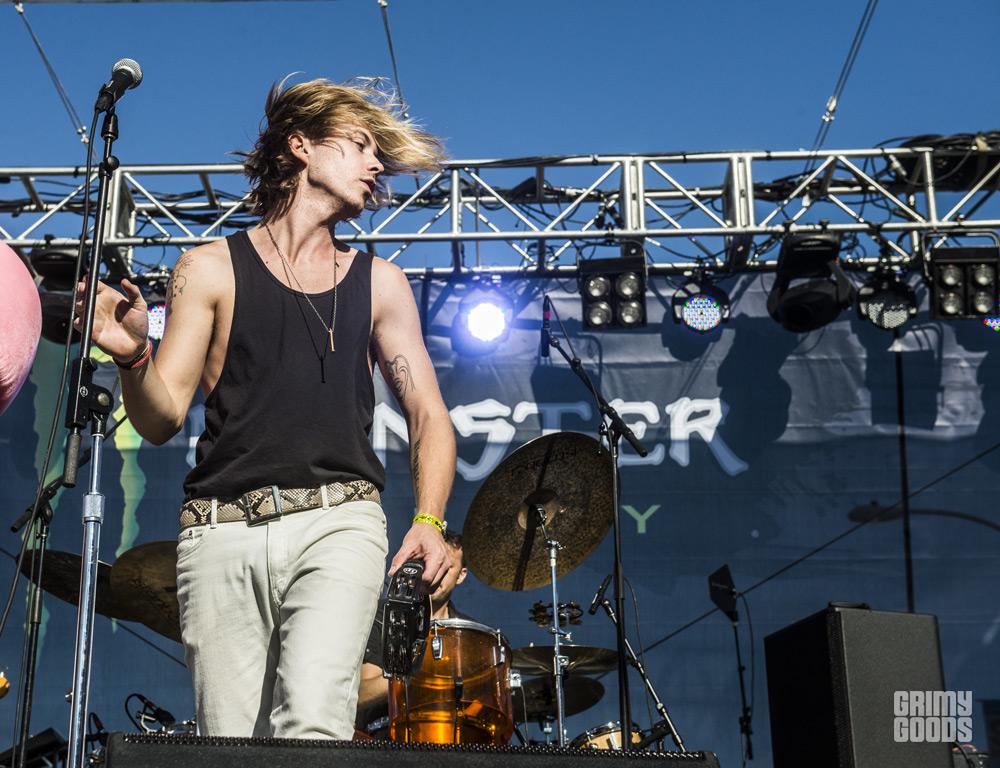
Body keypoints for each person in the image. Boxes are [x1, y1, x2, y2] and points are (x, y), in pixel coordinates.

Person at [74, 77, 456, 740]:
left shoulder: (382, 283)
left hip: (339, 522)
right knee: (230, 745)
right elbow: (161, 419)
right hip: (221, 530)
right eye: (361, 145)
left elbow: (428, 413)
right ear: (301, 146)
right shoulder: (208, 269)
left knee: (313, 726)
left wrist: (429, 519)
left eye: (380, 155)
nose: (376, 166)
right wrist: (133, 356)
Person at [355, 529, 470, 734]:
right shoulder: (386, 614)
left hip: (451, 734)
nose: (435, 572)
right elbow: (361, 695)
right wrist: (421, 672)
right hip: (387, 734)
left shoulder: (468, 635)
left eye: (446, 567)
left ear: (461, 575)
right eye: (428, 563)